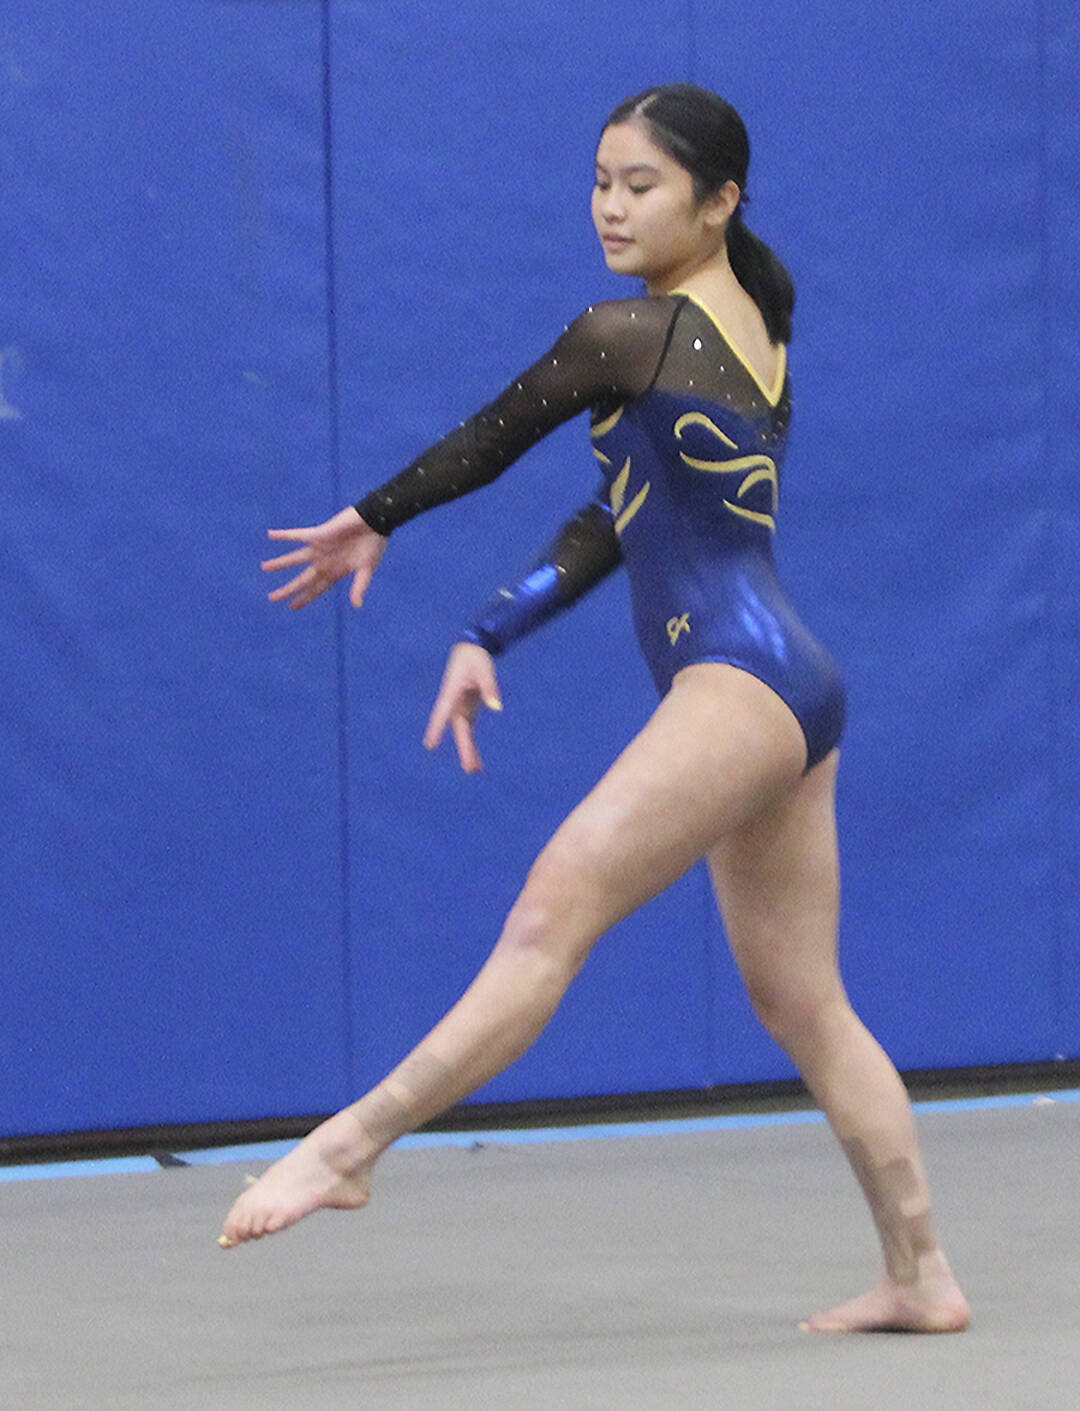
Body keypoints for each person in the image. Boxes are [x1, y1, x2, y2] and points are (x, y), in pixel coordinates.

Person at [220, 84, 971, 1335]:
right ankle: (922, 1273)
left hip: (738, 682)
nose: (612, 206)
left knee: (548, 915)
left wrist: (374, 516)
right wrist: (487, 629)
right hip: (783, 683)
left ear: (720, 199)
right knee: (804, 1001)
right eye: (601, 180)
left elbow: (500, 429)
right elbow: (623, 524)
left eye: (644, 185)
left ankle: (350, 1145)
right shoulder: (744, 326)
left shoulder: (636, 330)